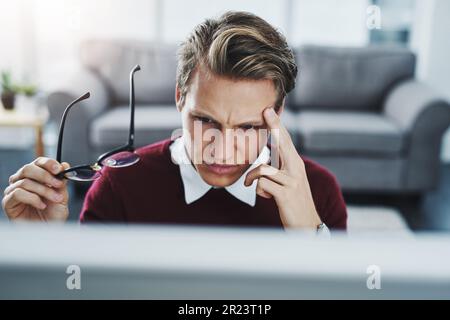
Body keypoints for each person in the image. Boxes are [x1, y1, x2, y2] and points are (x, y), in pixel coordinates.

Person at [2, 11, 347, 232]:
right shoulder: (118, 186)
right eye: (206, 120)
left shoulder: (318, 192)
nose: (222, 150)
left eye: (247, 128)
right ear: (180, 97)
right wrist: (43, 243)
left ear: (278, 115)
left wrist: (311, 238)